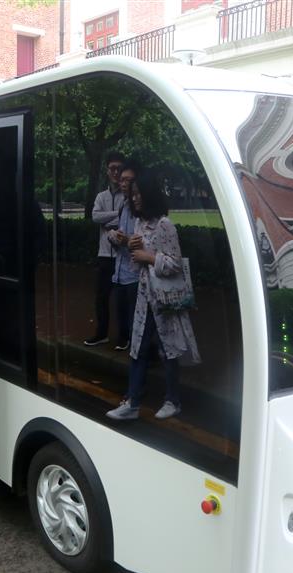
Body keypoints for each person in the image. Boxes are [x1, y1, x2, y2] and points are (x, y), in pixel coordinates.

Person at [106, 171, 200, 421]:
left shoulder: (164, 225)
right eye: (132, 194)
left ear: (149, 195)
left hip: (164, 300)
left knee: (167, 350)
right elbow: (138, 266)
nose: (134, 199)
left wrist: (148, 256)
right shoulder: (139, 224)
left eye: (138, 194)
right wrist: (133, 248)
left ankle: (173, 400)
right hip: (144, 297)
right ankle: (132, 401)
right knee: (137, 348)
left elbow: (175, 264)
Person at [84, 152, 127, 347]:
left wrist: (108, 218)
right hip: (104, 254)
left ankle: (124, 337)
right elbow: (95, 217)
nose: (116, 172)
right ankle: (101, 333)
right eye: (112, 168)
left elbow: (126, 220)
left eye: (119, 168)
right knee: (101, 297)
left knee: (121, 299)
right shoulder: (101, 196)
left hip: (122, 256)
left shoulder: (128, 195)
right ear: (107, 170)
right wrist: (115, 214)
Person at [107, 162, 140, 352]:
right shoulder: (124, 206)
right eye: (122, 180)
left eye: (128, 179)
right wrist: (115, 237)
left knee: (136, 315)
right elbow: (121, 235)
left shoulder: (140, 206)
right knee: (121, 311)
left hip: (135, 274)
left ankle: (139, 350)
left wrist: (126, 239)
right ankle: (125, 340)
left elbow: (144, 241)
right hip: (120, 272)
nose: (123, 183)